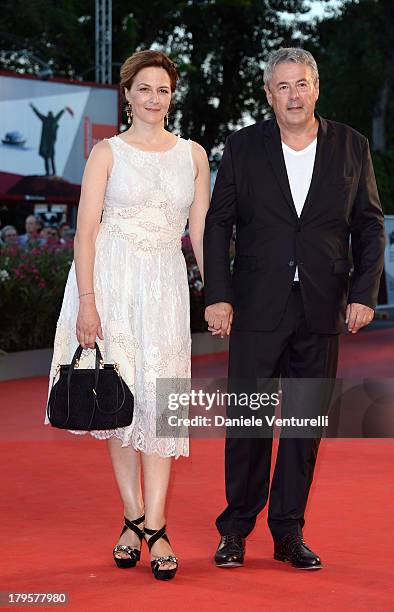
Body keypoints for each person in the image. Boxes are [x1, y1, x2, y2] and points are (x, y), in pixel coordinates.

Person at [203, 47, 385, 570]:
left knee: (305, 428)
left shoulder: (352, 145)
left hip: (323, 308)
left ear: (316, 88)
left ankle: (288, 532)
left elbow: (368, 225)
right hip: (258, 307)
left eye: (301, 84)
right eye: (282, 87)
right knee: (249, 424)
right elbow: (219, 224)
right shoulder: (242, 147)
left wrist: (363, 294)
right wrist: (218, 294)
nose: (293, 95)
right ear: (268, 95)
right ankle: (235, 530)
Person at [44, 49, 210, 580]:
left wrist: (219, 292)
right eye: (144, 88)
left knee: (161, 406)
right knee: (118, 399)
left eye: (162, 89)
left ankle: (157, 527)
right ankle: (133, 517)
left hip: (164, 286)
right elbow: (85, 232)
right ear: (128, 94)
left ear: (171, 95)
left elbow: (200, 233)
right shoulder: (106, 153)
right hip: (110, 284)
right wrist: (88, 303)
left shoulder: (195, 155)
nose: (153, 98)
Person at [29, 103, 72, 176]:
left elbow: (38, 114)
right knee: (51, 157)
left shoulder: (45, 119)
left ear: (48, 115)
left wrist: (33, 108)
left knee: (47, 158)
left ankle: (48, 172)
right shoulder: (54, 120)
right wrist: (64, 109)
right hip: (51, 142)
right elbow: (59, 115)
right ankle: (53, 172)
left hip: (46, 143)